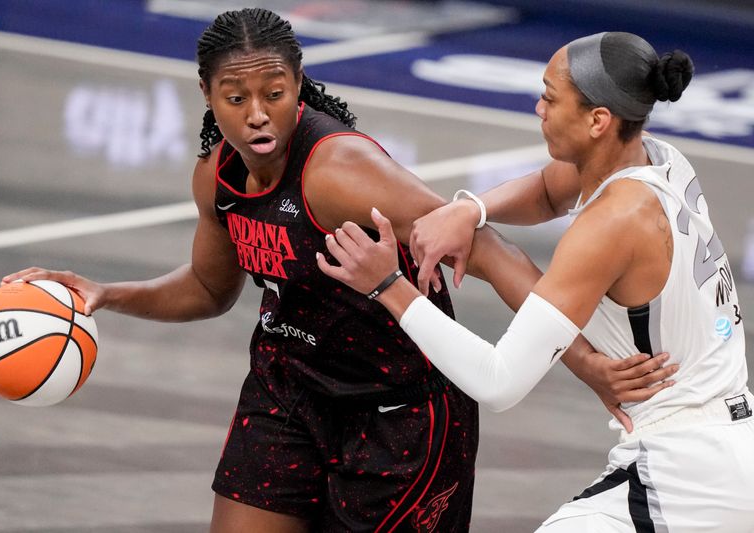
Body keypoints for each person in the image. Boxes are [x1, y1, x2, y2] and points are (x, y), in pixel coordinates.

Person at [2, 12, 670, 531]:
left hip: (400, 416)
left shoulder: (340, 172)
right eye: (236, 97)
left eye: (274, 93)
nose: (257, 113)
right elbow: (208, 288)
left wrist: (584, 361)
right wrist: (105, 293)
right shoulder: (217, 177)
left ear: (298, 85)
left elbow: (490, 251)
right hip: (287, 394)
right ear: (207, 93)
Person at [318, 32, 754, 531]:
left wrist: (389, 286)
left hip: (684, 473)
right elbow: (548, 191)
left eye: (550, 97)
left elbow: (498, 380)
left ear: (598, 120)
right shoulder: (660, 158)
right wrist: (471, 208)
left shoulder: (614, 221)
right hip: (732, 440)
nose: (538, 108)